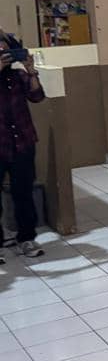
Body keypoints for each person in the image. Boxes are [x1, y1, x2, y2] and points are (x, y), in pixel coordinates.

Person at [0, 31, 46, 259]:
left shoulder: (18, 76)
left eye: (4, 50)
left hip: (23, 142)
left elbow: (37, 96)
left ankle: (27, 238)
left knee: (24, 193)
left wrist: (31, 70)